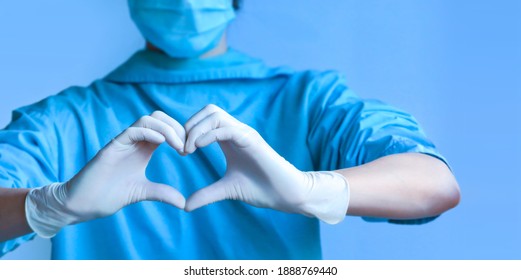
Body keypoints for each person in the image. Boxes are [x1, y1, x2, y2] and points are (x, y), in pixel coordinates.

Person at [0, 0, 460, 259]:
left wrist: (309, 190)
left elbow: (434, 184)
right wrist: (49, 206)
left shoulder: (307, 101)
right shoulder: (63, 120)